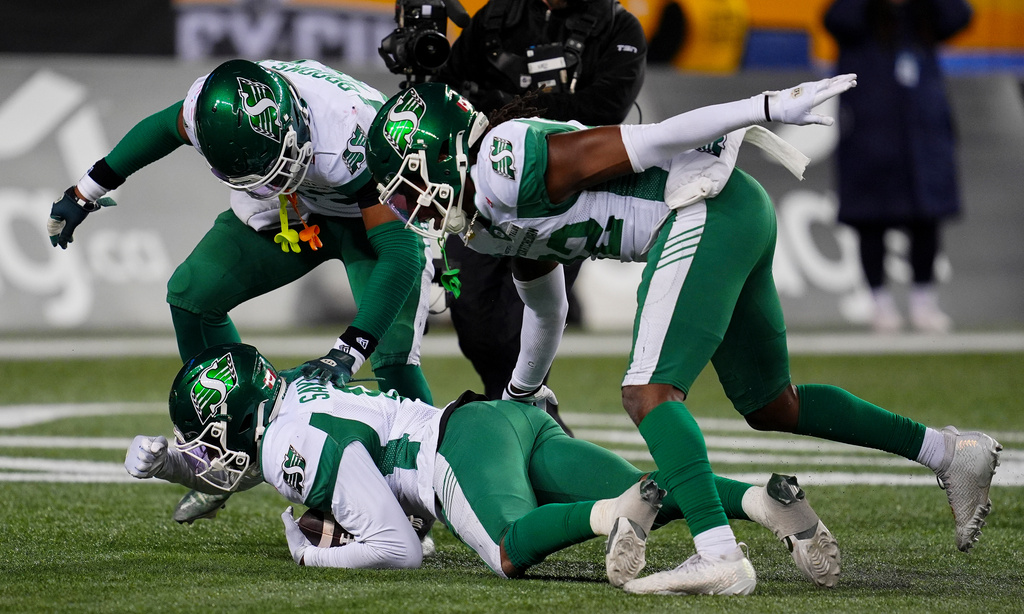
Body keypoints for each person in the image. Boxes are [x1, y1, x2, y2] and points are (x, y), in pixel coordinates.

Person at [363, 80, 1003, 595]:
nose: (407, 206)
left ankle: (719, 556)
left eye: (406, 184)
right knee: (772, 402)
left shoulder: (508, 162)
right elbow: (545, 302)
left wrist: (768, 107)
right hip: (733, 214)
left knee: (648, 392)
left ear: (441, 151)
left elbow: (656, 137)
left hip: (703, 208)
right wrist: (524, 389)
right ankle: (949, 454)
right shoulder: (482, 220)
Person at [47, 58, 435, 524]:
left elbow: (399, 254)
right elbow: (163, 128)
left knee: (390, 352)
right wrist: (86, 190)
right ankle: (225, 449)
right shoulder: (216, 106)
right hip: (296, 208)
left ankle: (425, 485)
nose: (268, 180)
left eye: (274, 167)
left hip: (373, 214)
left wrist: (347, 352)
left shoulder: (351, 132)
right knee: (193, 294)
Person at [125, 342, 839, 590]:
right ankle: (765, 503)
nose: (211, 453)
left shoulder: (286, 447)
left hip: (458, 451)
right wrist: (172, 466)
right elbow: (263, 456)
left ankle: (615, 517)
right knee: (641, 481)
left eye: (207, 437)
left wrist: (310, 560)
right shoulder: (295, 391)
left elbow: (398, 549)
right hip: (507, 417)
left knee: (506, 548)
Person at [432, 0, 648, 409]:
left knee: (527, 322)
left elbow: (604, 112)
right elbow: (448, 88)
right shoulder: (497, 15)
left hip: (563, 201)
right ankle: (531, 419)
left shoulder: (620, 30)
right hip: (481, 193)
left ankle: (523, 417)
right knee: (468, 313)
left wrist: (504, 105)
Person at [824, 0, 972, 333]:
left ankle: (924, 302)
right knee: (870, 222)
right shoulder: (859, 22)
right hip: (870, 140)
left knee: (926, 221)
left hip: (922, 139)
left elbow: (959, 15)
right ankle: (880, 304)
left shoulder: (921, 22)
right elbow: (835, 19)